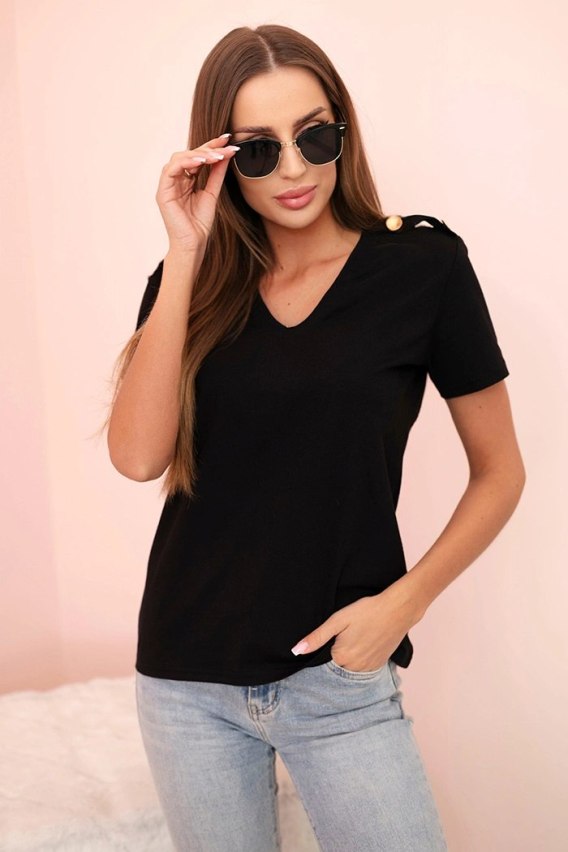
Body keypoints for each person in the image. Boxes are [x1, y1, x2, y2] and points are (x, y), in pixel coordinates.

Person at [104, 23, 525, 852]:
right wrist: (184, 250)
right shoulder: (190, 281)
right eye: (259, 151)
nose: (294, 170)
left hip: (339, 679)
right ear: (222, 159)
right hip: (187, 681)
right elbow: (138, 456)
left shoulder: (423, 268)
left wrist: (403, 603)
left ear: (343, 130)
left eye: (314, 137)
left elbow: (500, 471)